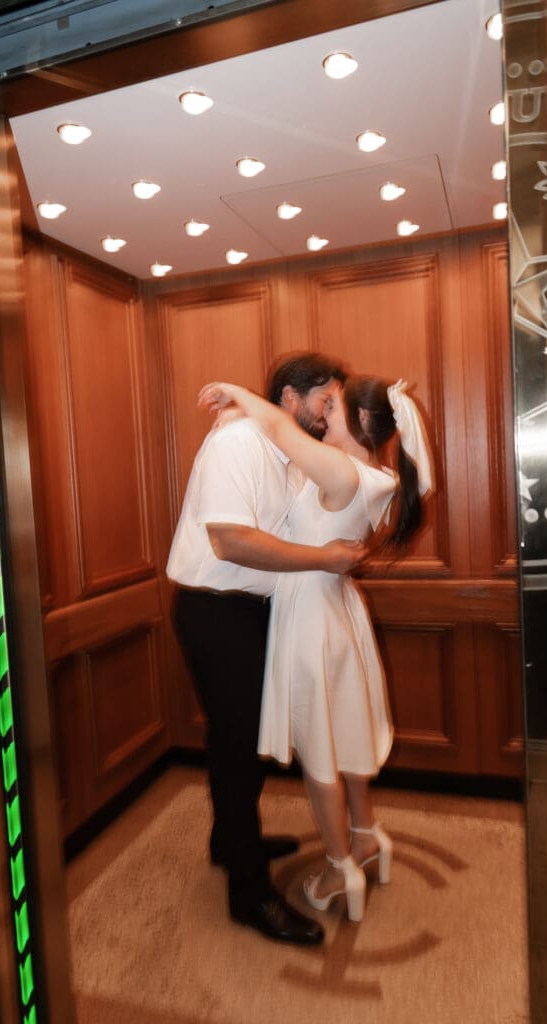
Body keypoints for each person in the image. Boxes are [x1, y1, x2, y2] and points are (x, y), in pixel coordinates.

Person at [198, 375, 432, 923]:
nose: (325, 413)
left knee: (320, 749)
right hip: (336, 611)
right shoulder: (374, 475)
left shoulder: (342, 472)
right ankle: (365, 834)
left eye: (334, 406)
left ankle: (337, 866)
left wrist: (237, 393)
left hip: (311, 619)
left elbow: (281, 429)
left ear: (361, 421)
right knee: (344, 731)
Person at [166, 353, 365, 946]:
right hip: (214, 609)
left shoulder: (291, 455)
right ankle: (248, 893)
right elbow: (230, 542)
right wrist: (325, 560)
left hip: (253, 611)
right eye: (325, 401)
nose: (330, 413)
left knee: (238, 742)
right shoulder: (237, 444)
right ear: (289, 397)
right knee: (237, 748)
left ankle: (227, 843)